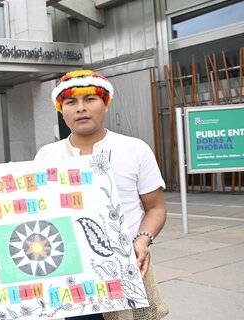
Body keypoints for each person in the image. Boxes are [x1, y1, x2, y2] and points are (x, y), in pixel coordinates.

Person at [34, 70, 167, 320]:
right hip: (68, 272)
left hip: (124, 267)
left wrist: (143, 240)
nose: (80, 108)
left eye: (90, 99)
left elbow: (155, 207)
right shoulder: (46, 156)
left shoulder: (135, 149)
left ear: (105, 104)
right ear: (61, 109)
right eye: (71, 102)